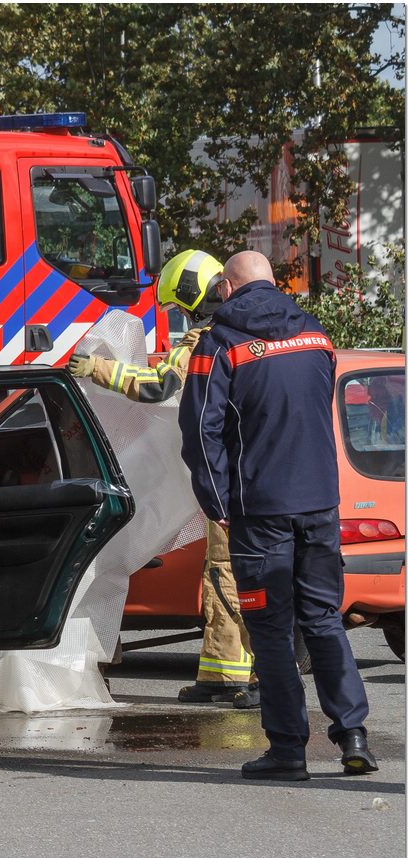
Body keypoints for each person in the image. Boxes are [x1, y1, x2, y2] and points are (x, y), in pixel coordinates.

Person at [179, 249, 374, 781]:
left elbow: (200, 433)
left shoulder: (219, 345)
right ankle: (353, 733)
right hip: (319, 505)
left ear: (226, 286)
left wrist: (216, 503)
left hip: (259, 510)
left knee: (268, 628)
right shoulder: (315, 333)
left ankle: (289, 750)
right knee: (323, 621)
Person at [67, 250, 257, 708]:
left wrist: (99, 370)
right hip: (249, 472)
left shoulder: (208, 339)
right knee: (229, 571)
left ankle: (238, 678)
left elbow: (159, 385)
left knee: (230, 572)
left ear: (193, 295)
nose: (181, 316)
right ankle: (222, 671)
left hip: (230, 477)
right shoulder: (252, 333)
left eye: (180, 306)